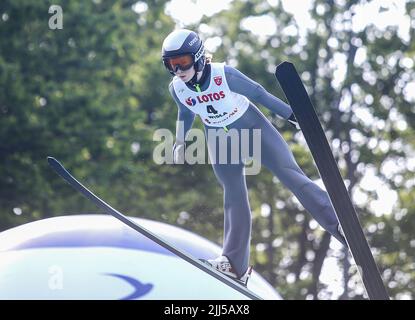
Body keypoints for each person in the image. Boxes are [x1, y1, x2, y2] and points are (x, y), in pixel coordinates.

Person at [161, 29, 346, 285]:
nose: (178, 70)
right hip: (219, 136)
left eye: (182, 62)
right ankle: (234, 265)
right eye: (171, 65)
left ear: (200, 57)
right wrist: (180, 141)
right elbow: (186, 113)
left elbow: (258, 93)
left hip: (251, 125)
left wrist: (293, 114)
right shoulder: (177, 89)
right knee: (233, 193)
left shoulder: (223, 75)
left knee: (289, 174)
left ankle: (338, 223)